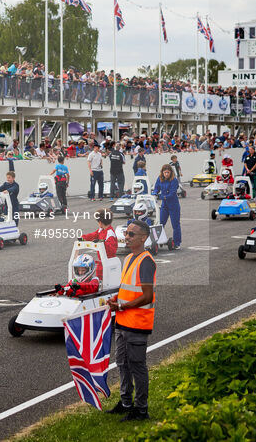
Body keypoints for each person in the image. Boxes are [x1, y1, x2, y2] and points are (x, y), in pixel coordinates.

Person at [107, 220, 156, 421]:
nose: (126, 237)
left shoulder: (146, 261)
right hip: (123, 321)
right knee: (122, 364)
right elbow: (127, 286)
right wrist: (116, 299)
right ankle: (126, 401)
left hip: (137, 323)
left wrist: (121, 306)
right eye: (126, 233)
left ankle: (141, 409)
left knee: (137, 366)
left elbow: (146, 296)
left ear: (143, 238)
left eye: (131, 234)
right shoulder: (128, 258)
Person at [152, 164, 182, 249]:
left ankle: (177, 243)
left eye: (168, 172)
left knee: (175, 224)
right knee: (160, 223)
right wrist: (155, 193)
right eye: (165, 172)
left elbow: (172, 193)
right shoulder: (160, 178)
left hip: (173, 205)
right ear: (162, 172)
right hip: (164, 205)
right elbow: (156, 188)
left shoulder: (174, 180)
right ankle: (159, 240)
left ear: (171, 172)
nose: (166, 174)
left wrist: (163, 197)